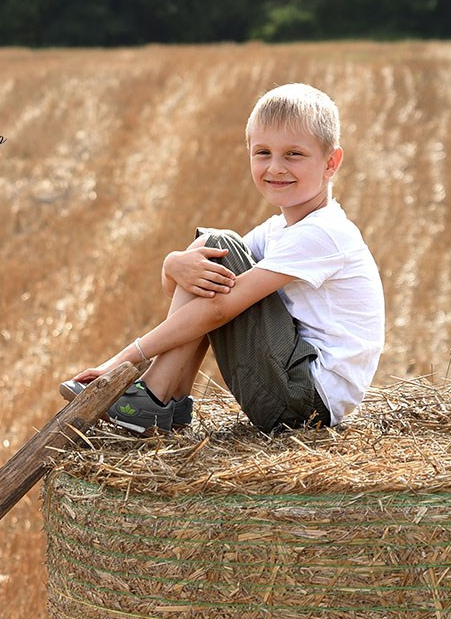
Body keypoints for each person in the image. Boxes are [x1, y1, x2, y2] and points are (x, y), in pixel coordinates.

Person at [64, 83, 385, 435]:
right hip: (293, 389)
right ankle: (167, 402)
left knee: (219, 246)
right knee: (213, 250)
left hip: (305, 403)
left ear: (331, 163)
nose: (276, 167)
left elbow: (219, 309)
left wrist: (121, 361)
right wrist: (172, 264)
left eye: (293, 154)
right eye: (263, 152)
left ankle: (153, 396)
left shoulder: (323, 232)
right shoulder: (278, 230)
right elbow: (191, 288)